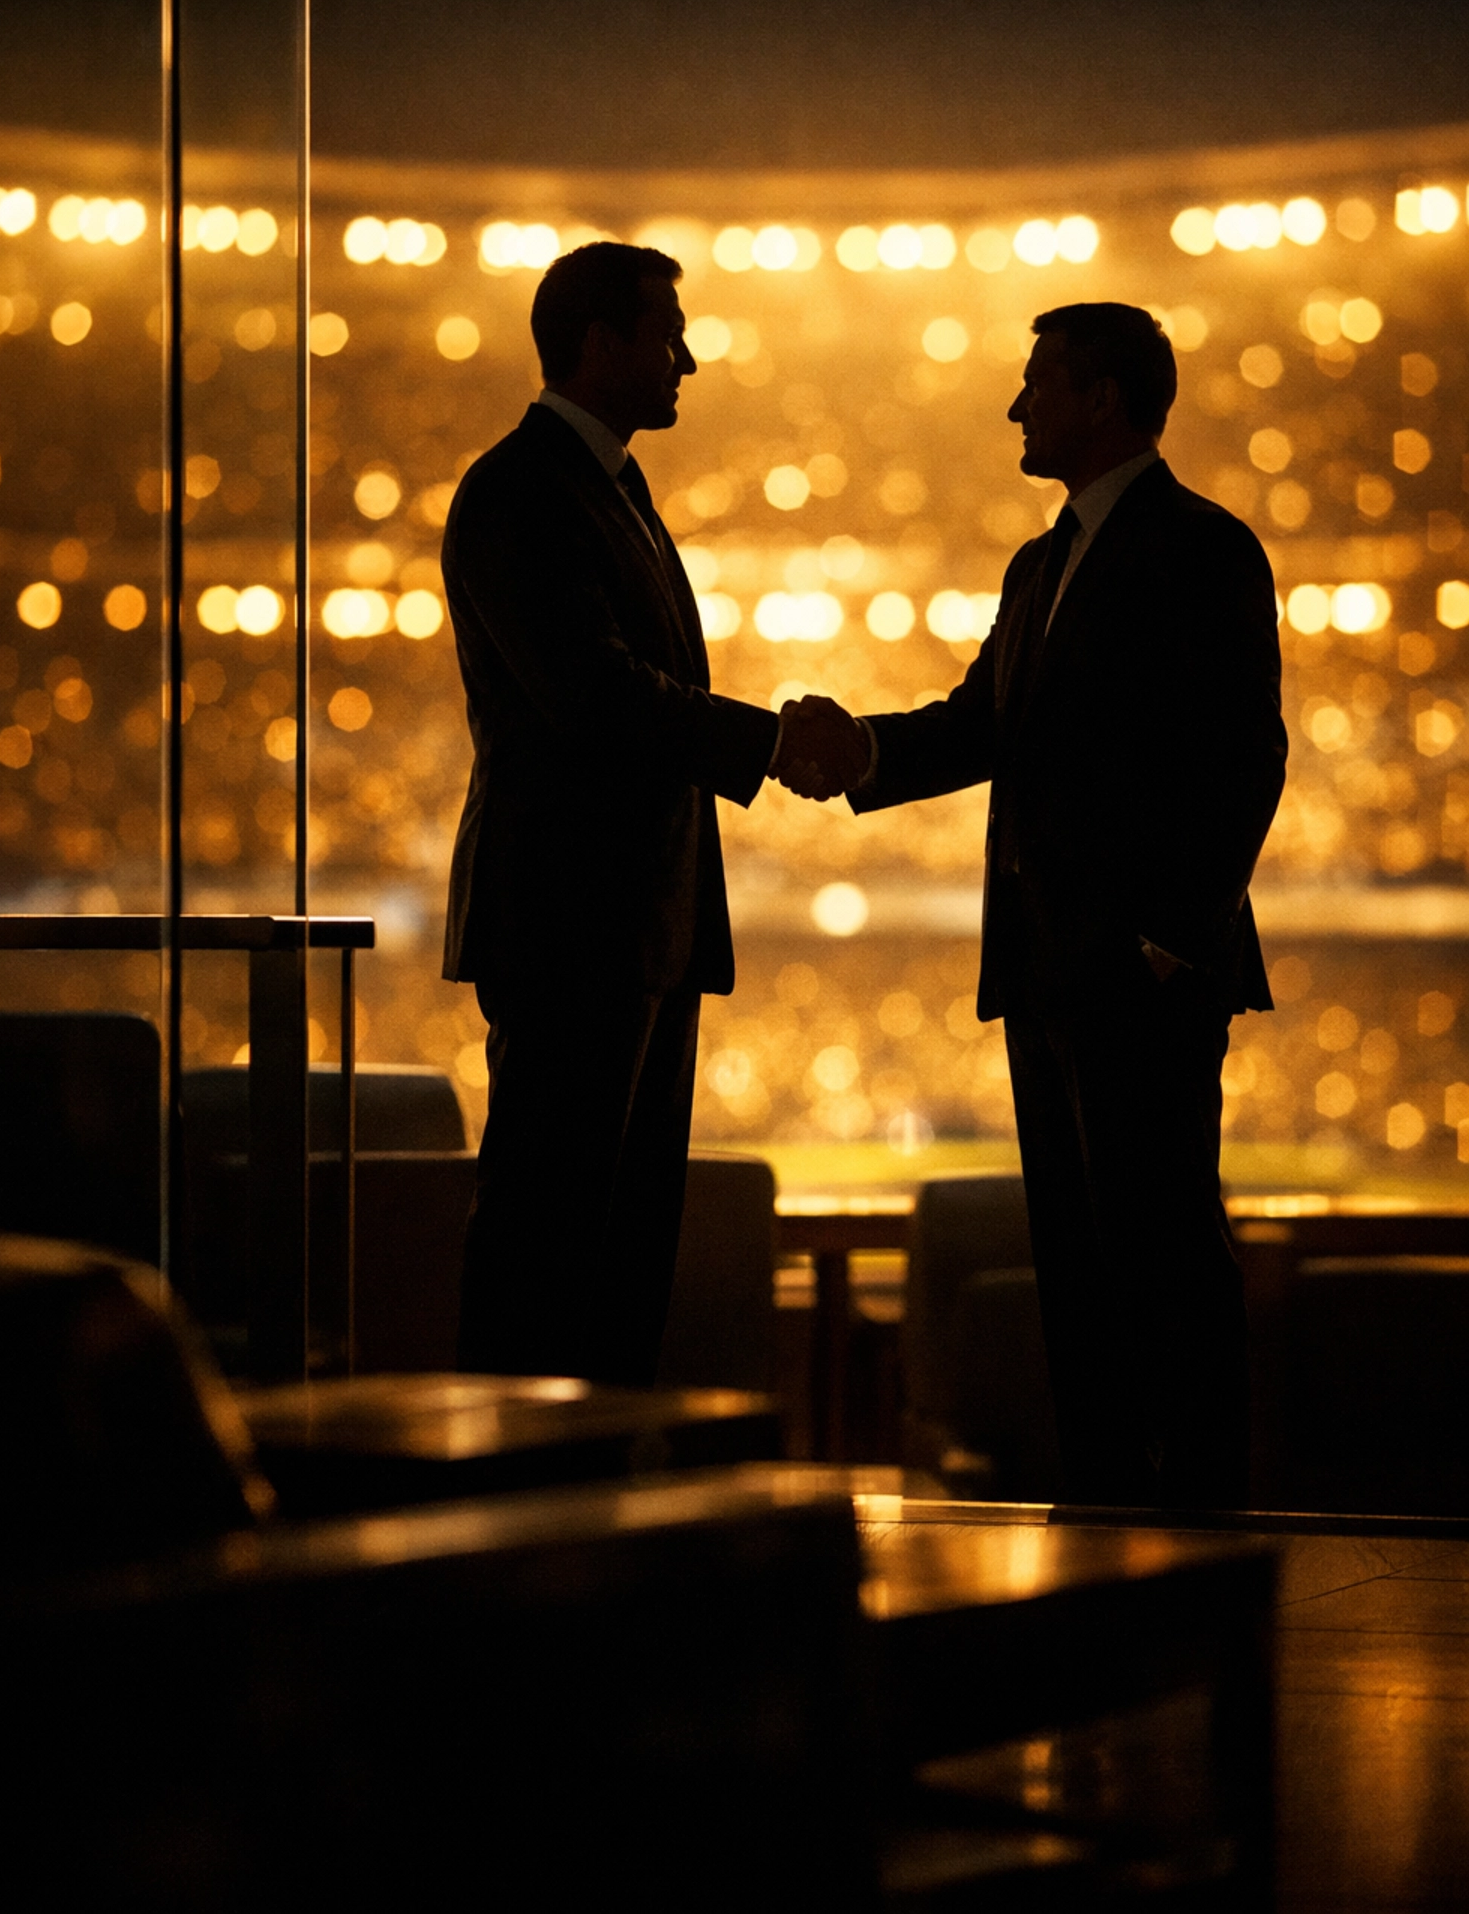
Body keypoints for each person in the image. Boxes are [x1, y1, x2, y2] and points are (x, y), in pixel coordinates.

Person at [777, 303, 1287, 1505]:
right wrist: (858, 754)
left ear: (1101, 398)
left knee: (1163, 1251)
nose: (1016, 408)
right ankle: (1106, 1502)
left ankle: (1205, 1517)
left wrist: (1170, 938)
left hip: (1140, 973)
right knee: (1077, 1258)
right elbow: (981, 726)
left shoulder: (1205, 547)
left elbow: (1244, 760)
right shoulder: (1041, 563)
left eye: (1036, 385)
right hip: (1051, 970)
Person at [441, 241, 782, 1385]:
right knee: (548, 1245)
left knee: (621, 1254)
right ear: (598, 344)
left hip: (637, 929)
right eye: (665, 333)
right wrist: (774, 740)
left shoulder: (605, 487)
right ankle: (512, 1511)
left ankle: (591, 1509)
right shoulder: (519, 489)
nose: (686, 358)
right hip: (571, 925)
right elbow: (592, 695)